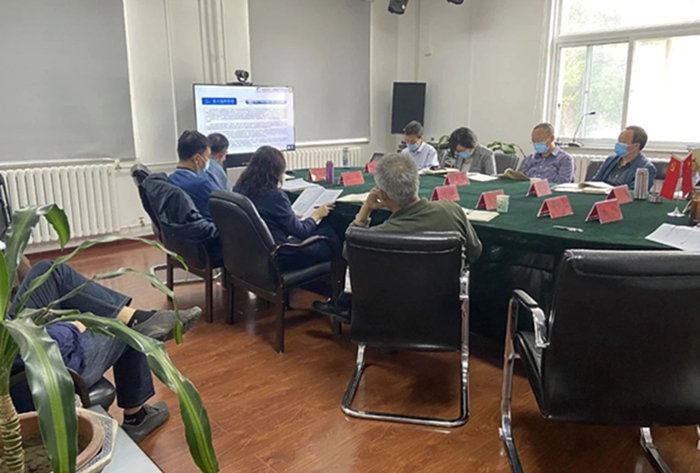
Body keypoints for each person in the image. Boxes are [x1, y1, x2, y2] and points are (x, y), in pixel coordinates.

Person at [9, 261, 202, 443]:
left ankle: (138, 318)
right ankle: (136, 417)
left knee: (48, 272)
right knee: (124, 326)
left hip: (15, 350)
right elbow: (22, 345)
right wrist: (72, 327)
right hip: (32, 374)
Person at [314, 153, 483, 322]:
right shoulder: (453, 211)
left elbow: (348, 253)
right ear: (418, 180)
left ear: (382, 195)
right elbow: (475, 252)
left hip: (388, 310)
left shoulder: (375, 236)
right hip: (444, 309)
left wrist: (365, 211)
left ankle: (343, 305)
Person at [232, 146, 341, 271]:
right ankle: (337, 279)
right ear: (276, 172)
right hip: (280, 256)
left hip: (253, 253)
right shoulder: (275, 196)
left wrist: (290, 217)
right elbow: (302, 232)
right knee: (329, 234)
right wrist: (316, 215)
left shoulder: (238, 189)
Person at [169, 131, 222, 221]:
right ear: (197, 159)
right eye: (208, 156)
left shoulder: (170, 180)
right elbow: (228, 205)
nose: (208, 160)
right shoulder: (203, 184)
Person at [591, 126, 656, 190]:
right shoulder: (610, 159)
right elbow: (595, 182)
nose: (618, 144)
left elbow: (634, 192)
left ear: (636, 146)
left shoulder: (646, 168)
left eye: (623, 142)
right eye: (618, 141)